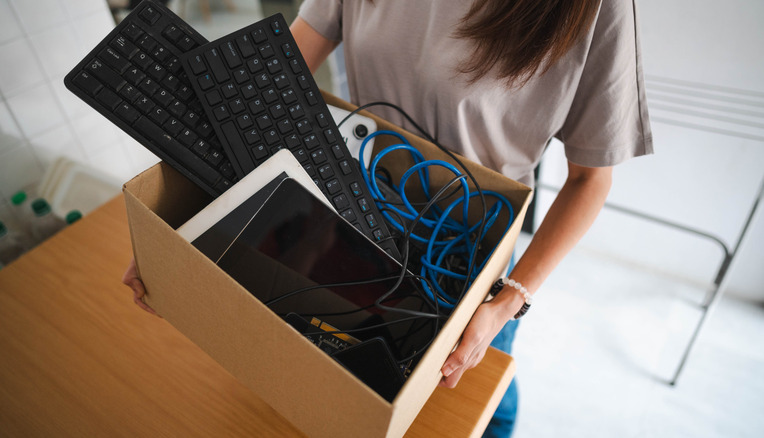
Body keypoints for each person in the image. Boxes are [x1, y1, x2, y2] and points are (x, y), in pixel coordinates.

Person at [124, 0, 652, 436]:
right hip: (350, 209)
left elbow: (590, 180)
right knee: (345, 369)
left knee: (478, 394)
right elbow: (277, 75)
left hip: (475, 252)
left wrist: (507, 300)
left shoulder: (597, 10)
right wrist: (177, 225)